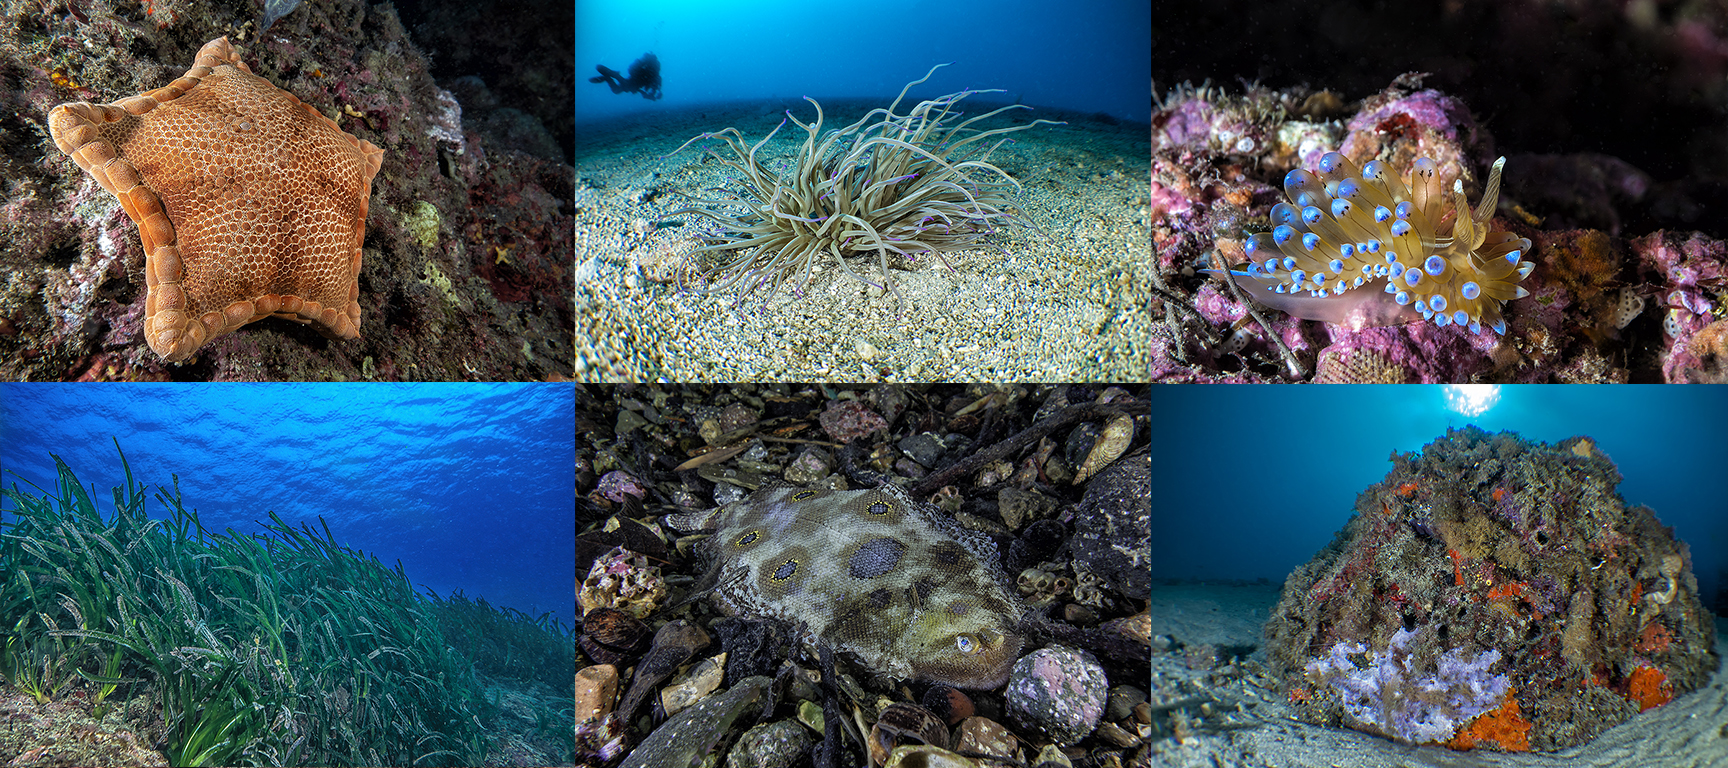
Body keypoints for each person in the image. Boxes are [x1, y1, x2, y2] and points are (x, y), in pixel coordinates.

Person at [590, 53, 662, 101]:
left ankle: (610, 76)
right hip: (632, 83)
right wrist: (651, 95)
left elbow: (653, 90)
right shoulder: (655, 77)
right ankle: (613, 75)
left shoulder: (654, 76)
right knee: (617, 90)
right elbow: (654, 89)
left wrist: (650, 95)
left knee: (617, 90)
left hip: (632, 82)